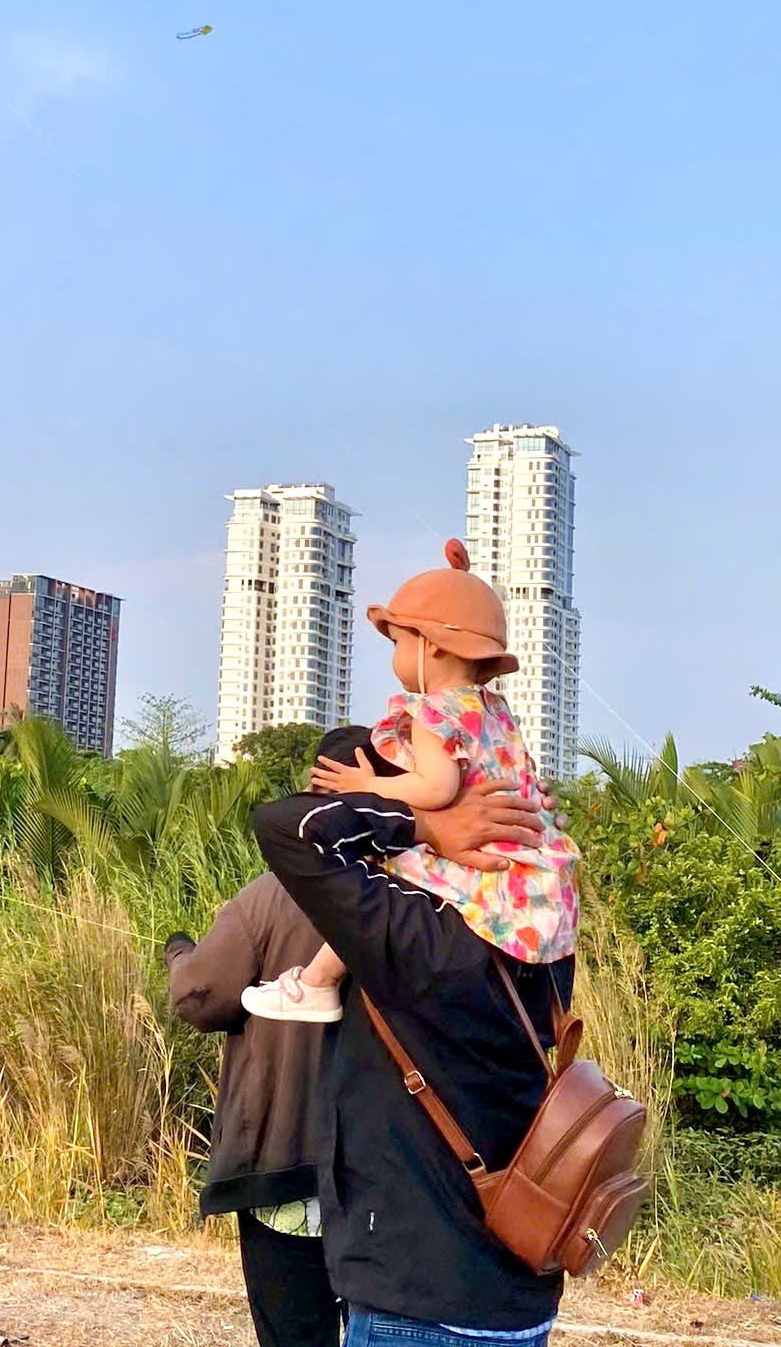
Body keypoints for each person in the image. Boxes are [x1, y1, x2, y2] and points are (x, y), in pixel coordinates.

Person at [250, 558, 572, 1347]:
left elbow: (285, 824)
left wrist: (419, 823)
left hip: (419, 1298)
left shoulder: (411, 933)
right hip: (520, 1290)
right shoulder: (533, 936)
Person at [245, 541, 579, 1023]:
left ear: (433, 646)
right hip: (530, 873)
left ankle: (318, 982)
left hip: (484, 866)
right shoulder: (494, 711)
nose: (395, 657)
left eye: (399, 642)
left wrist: (368, 786)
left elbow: (436, 789)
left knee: (386, 866)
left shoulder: (432, 712)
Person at [165, 873, 338, 1347]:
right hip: (393, 1176)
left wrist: (179, 953)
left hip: (286, 1168)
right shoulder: (422, 882)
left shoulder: (276, 891)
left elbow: (198, 997)